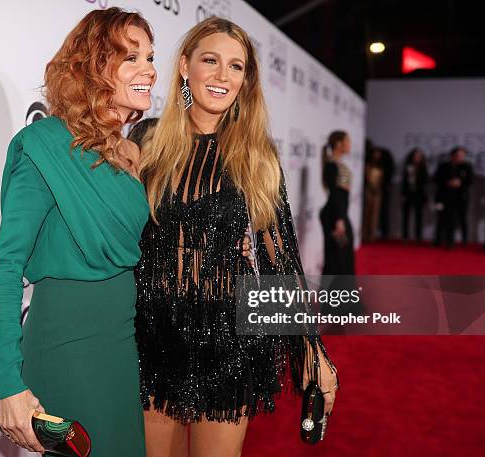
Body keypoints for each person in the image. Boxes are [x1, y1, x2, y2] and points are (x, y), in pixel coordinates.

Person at [128, 17, 338, 457]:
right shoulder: (146, 141)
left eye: (236, 67)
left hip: (229, 342)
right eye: (211, 60)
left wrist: (311, 347)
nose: (223, 76)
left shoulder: (257, 155)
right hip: (153, 337)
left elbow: (280, 257)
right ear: (185, 66)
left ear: (246, 80)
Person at [0, 8, 156, 456]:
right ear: (95, 65)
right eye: (131, 57)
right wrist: (9, 386)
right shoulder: (44, 145)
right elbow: (6, 269)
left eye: (150, 57)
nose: (150, 70)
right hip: (66, 349)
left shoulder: (130, 153)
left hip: (121, 346)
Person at [320, 131, 355, 274]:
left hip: (339, 214)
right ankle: (332, 295)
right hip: (334, 215)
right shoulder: (331, 166)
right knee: (335, 259)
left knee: (344, 257)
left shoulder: (338, 164)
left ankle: (343, 294)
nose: (350, 144)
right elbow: (334, 194)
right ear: (339, 144)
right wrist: (339, 219)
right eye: (347, 141)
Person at [434, 146, 473, 248]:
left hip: (460, 197)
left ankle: (464, 241)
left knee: (461, 219)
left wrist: (460, 183)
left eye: (462, 156)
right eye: (458, 155)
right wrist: (448, 182)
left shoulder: (467, 167)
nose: (460, 158)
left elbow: (470, 181)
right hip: (443, 197)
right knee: (442, 219)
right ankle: (439, 240)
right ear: (452, 156)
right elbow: (436, 179)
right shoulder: (443, 166)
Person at [401, 147, 428, 243]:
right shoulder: (407, 167)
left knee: (419, 216)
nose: (417, 158)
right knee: (406, 216)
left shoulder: (423, 167)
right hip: (408, 194)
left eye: (419, 157)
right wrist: (403, 194)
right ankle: (405, 236)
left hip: (419, 195)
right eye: (415, 156)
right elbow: (404, 182)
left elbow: (426, 182)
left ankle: (418, 236)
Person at [362, 147, 384, 243]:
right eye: (375, 154)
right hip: (368, 191)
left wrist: (377, 188)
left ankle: (372, 235)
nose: (376, 156)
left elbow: (382, 180)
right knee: (366, 213)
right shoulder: (368, 166)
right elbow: (366, 178)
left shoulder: (381, 167)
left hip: (377, 192)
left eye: (378, 154)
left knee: (375, 214)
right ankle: (364, 234)